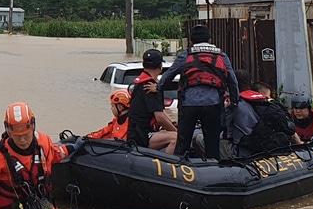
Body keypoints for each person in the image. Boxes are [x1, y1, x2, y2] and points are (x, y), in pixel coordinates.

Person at [160, 25, 238, 161]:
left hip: (188, 104)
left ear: (191, 41)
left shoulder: (186, 54)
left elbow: (169, 75)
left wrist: (158, 88)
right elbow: (232, 80)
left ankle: (179, 170)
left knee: (183, 143)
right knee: (212, 144)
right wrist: (234, 101)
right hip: (213, 104)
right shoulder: (221, 55)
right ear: (209, 39)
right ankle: (214, 170)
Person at [127, 48, 180, 152]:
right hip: (143, 136)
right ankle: (167, 166)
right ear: (160, 66)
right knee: (176, 137)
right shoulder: (151, 87)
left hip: (135, 133)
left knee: (170, 132)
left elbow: (160, 114)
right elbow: (159, 117)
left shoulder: (138, 83)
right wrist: (176, 131)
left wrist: (171, 123)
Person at [232, 80, 298, 157]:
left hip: (244, 150)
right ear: (260, 95)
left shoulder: (237, 105)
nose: (268, 100)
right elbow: (290, 129)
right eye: (267, 98)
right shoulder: (269, 108)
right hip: (265, 151)